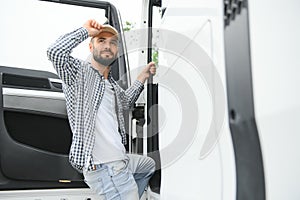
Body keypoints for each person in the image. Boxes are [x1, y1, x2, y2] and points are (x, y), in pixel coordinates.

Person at [47, 19, 156, 200]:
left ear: (117, 51)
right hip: (106, 168)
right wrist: (85, 31)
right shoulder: (79, 73)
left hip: (120, 162)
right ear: (91, 47)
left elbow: (127, 101)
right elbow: (55, 52)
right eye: (101, 41)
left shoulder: (111, 86)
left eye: (113, 42)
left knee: (147, 165)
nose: (108, 46)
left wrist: (142, 76)